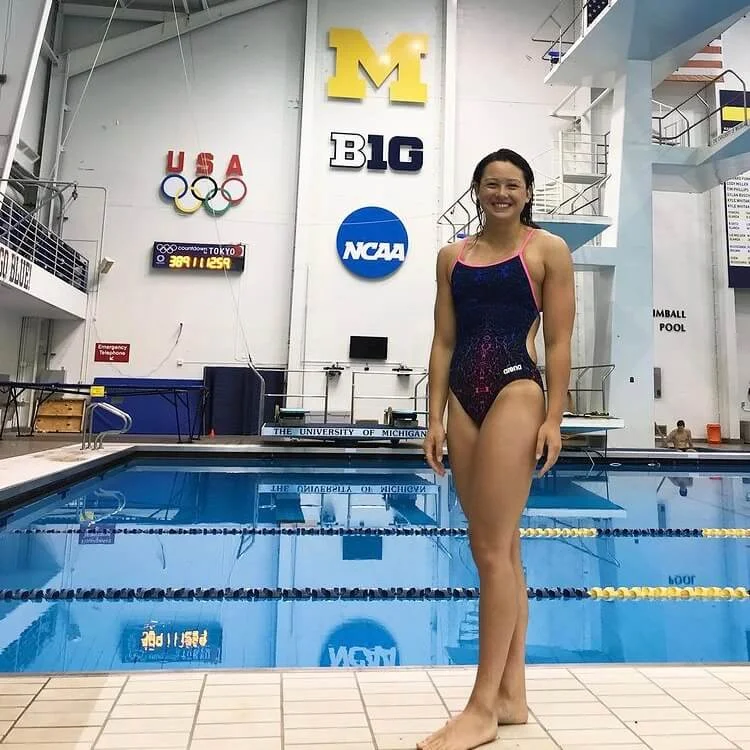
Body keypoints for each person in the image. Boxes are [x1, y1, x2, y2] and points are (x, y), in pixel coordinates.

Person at [420, 148, 575, 750]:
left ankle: (481, 707)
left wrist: (555, 417)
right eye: (491, 184)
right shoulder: (451, 257)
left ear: (528, 192)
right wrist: (432, 417)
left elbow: (558, 341)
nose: (502, 193)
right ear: (477, 190)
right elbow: (443, 340)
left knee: (488, 549)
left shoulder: (547, 251)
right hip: (463, 395)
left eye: (513, 184)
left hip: (516, 386)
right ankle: (511, 695)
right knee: (501, 546)